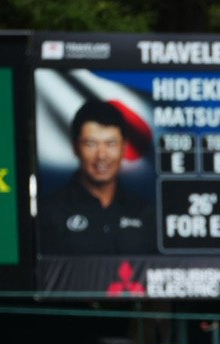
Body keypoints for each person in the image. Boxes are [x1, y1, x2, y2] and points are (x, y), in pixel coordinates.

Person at [39, 100, 155, 255]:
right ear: (75, 148)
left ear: (124, 148)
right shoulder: (50, 212)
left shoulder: (145, 212)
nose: (101, 155)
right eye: (91, 144)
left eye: (111, 144)